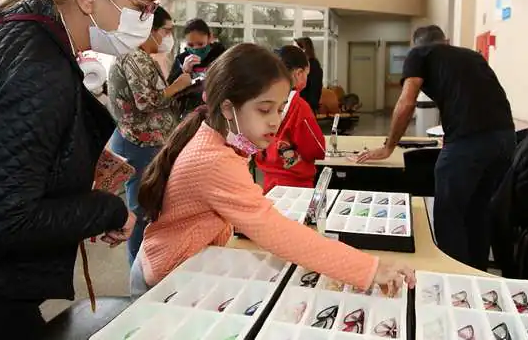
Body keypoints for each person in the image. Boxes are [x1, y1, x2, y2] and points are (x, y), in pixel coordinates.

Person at [0, 0, 165, 338]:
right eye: (142, 6)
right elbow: (6, 221)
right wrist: (107, 210)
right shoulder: (39, 67)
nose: (147, 20)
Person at [130, 43, 415, 298]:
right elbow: (277, 234)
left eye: (279, 109)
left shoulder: (216, 137)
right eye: (264, 110)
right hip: (165, 279)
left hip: (181, 263)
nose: (275, 122)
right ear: (228, 109)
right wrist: (370, 268)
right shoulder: (215, 159)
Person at [354, 25, 515, 271]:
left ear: (415, 45)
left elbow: (407, 102)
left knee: (449, 216)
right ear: (446, 41)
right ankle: (477, 276)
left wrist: (388, 147)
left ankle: (453, 279)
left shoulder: (419, 54)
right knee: (477, 211)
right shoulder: (471, 56)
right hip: (506, 140)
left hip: (468, 142)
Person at [109, 5, 192, 265]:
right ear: (150, 29)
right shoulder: (133, 56)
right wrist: (178, 86)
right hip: (139, 142)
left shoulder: (142, 57)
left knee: (147, 206)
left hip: (148, 140)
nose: (169, 36)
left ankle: (145, 265)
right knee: (141, 209)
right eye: (166, 30)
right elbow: (145, 101)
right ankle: (139, 269)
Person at [255, 45, 326, 193]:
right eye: (307, 73)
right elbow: (316, 149)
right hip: (296, 184)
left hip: (268, 180)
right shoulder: (300, 107)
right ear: (299, 73)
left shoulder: (260, 101)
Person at [168, 19, 226, 118]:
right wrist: (183, 72)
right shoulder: (181, 59)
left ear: (209, 39)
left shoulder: (221, 56)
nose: (196, 48)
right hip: (189, 113)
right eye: (190, 45)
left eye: (200, 44)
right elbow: (170, 89)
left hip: (216, 110)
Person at [295, 37, 323, 113]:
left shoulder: (312, 65)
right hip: (305, 103)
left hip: (308, 103)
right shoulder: (311, 63)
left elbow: (314, 86)